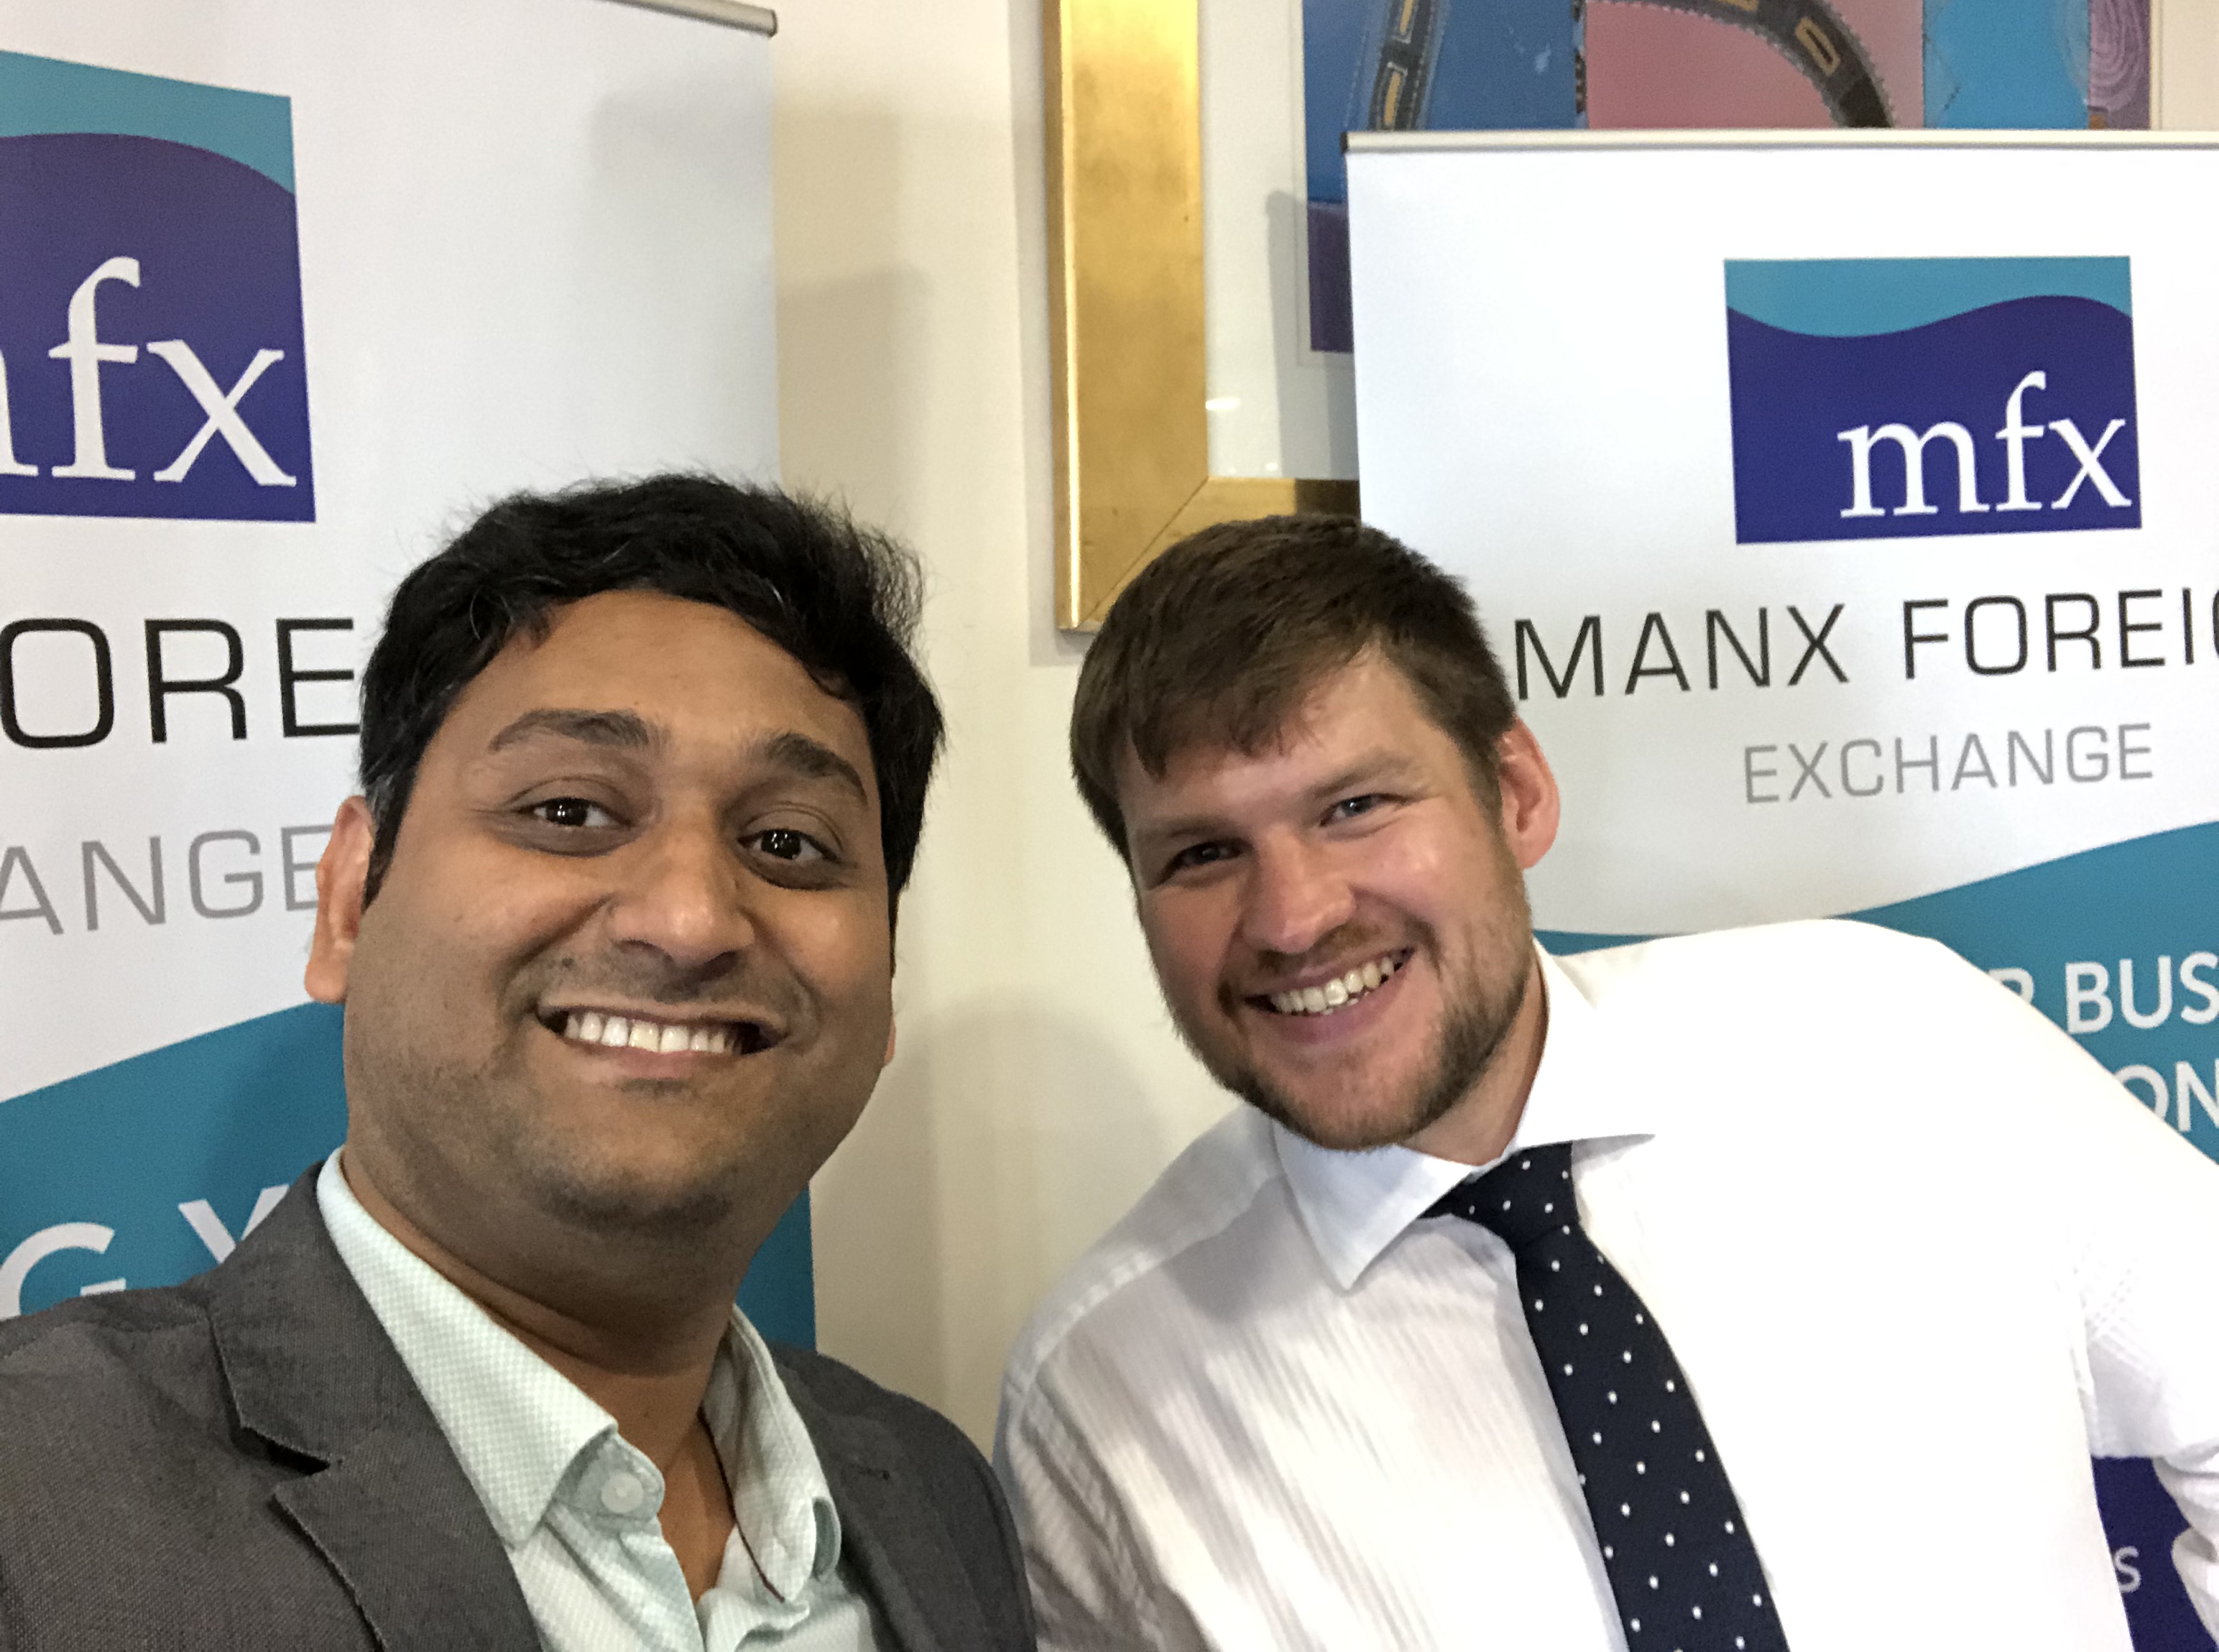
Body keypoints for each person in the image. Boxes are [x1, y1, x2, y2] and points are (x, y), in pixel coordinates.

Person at [993, 514, 2219, 1652]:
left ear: (1517, 794)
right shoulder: (1100, 1395)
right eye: (1203, 854)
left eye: (1355, 806)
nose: (1294, 917)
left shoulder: (1900, 1043)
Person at [0, 476, 1035, 1652]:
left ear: (886, 981)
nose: (690, 918)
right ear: (350, 901)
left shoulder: (937, 1494)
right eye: (570, 812)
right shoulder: (34, 1504)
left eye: (788, 842)